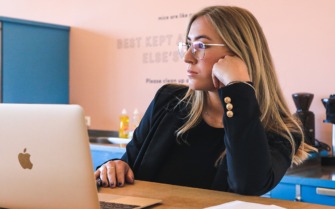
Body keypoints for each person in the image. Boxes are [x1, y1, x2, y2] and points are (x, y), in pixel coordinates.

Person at [94, 6, 317, 196]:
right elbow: (129, 164)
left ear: (238, 54)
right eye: (188, 44)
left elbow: (249, 186)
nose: (188, 57)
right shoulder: (168, 100)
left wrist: (238, 87)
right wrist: (115, 166)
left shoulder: (281, 131)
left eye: (201, 46)